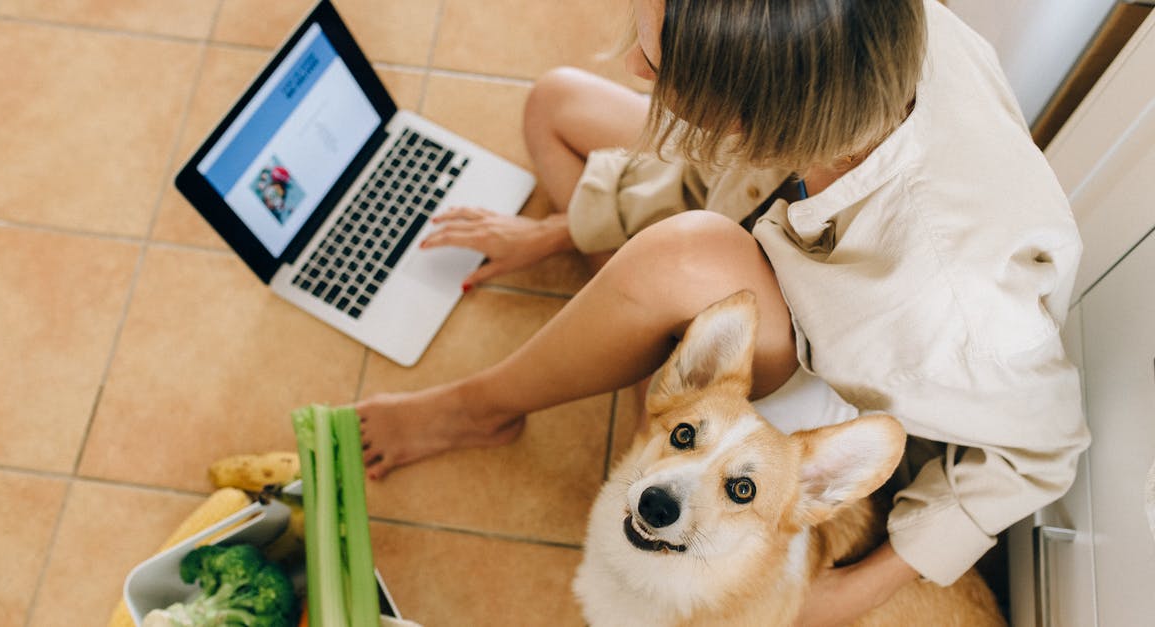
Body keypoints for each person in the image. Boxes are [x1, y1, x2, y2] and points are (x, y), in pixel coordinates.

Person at [357, 0, 1089, 624]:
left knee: (688, 254)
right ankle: (639, 322)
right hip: (756, 227)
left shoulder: (953, 307)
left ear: (750, 110)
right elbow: (739, 179)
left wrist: (846, 594)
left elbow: (1044, 452)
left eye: (659, 62)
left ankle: (480, 406)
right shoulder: (848, 44)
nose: (637, 71)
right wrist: (563, 227)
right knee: (555, 104)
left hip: (815, 351)